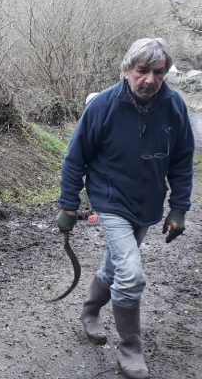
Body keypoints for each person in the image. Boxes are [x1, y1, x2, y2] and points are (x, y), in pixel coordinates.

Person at [56, 38, 194, 379]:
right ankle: (130, 349)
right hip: (110, 200)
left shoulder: (174, 106)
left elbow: (181, 162)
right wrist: (68, 204)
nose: (149, 79)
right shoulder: (102, 105)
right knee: (131, 274)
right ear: (127, 70)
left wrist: (179, 209)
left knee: (116, 264)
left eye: (157, 72)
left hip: (147, 204)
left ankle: (89, 310)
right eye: (141, 70)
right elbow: (75, 159)